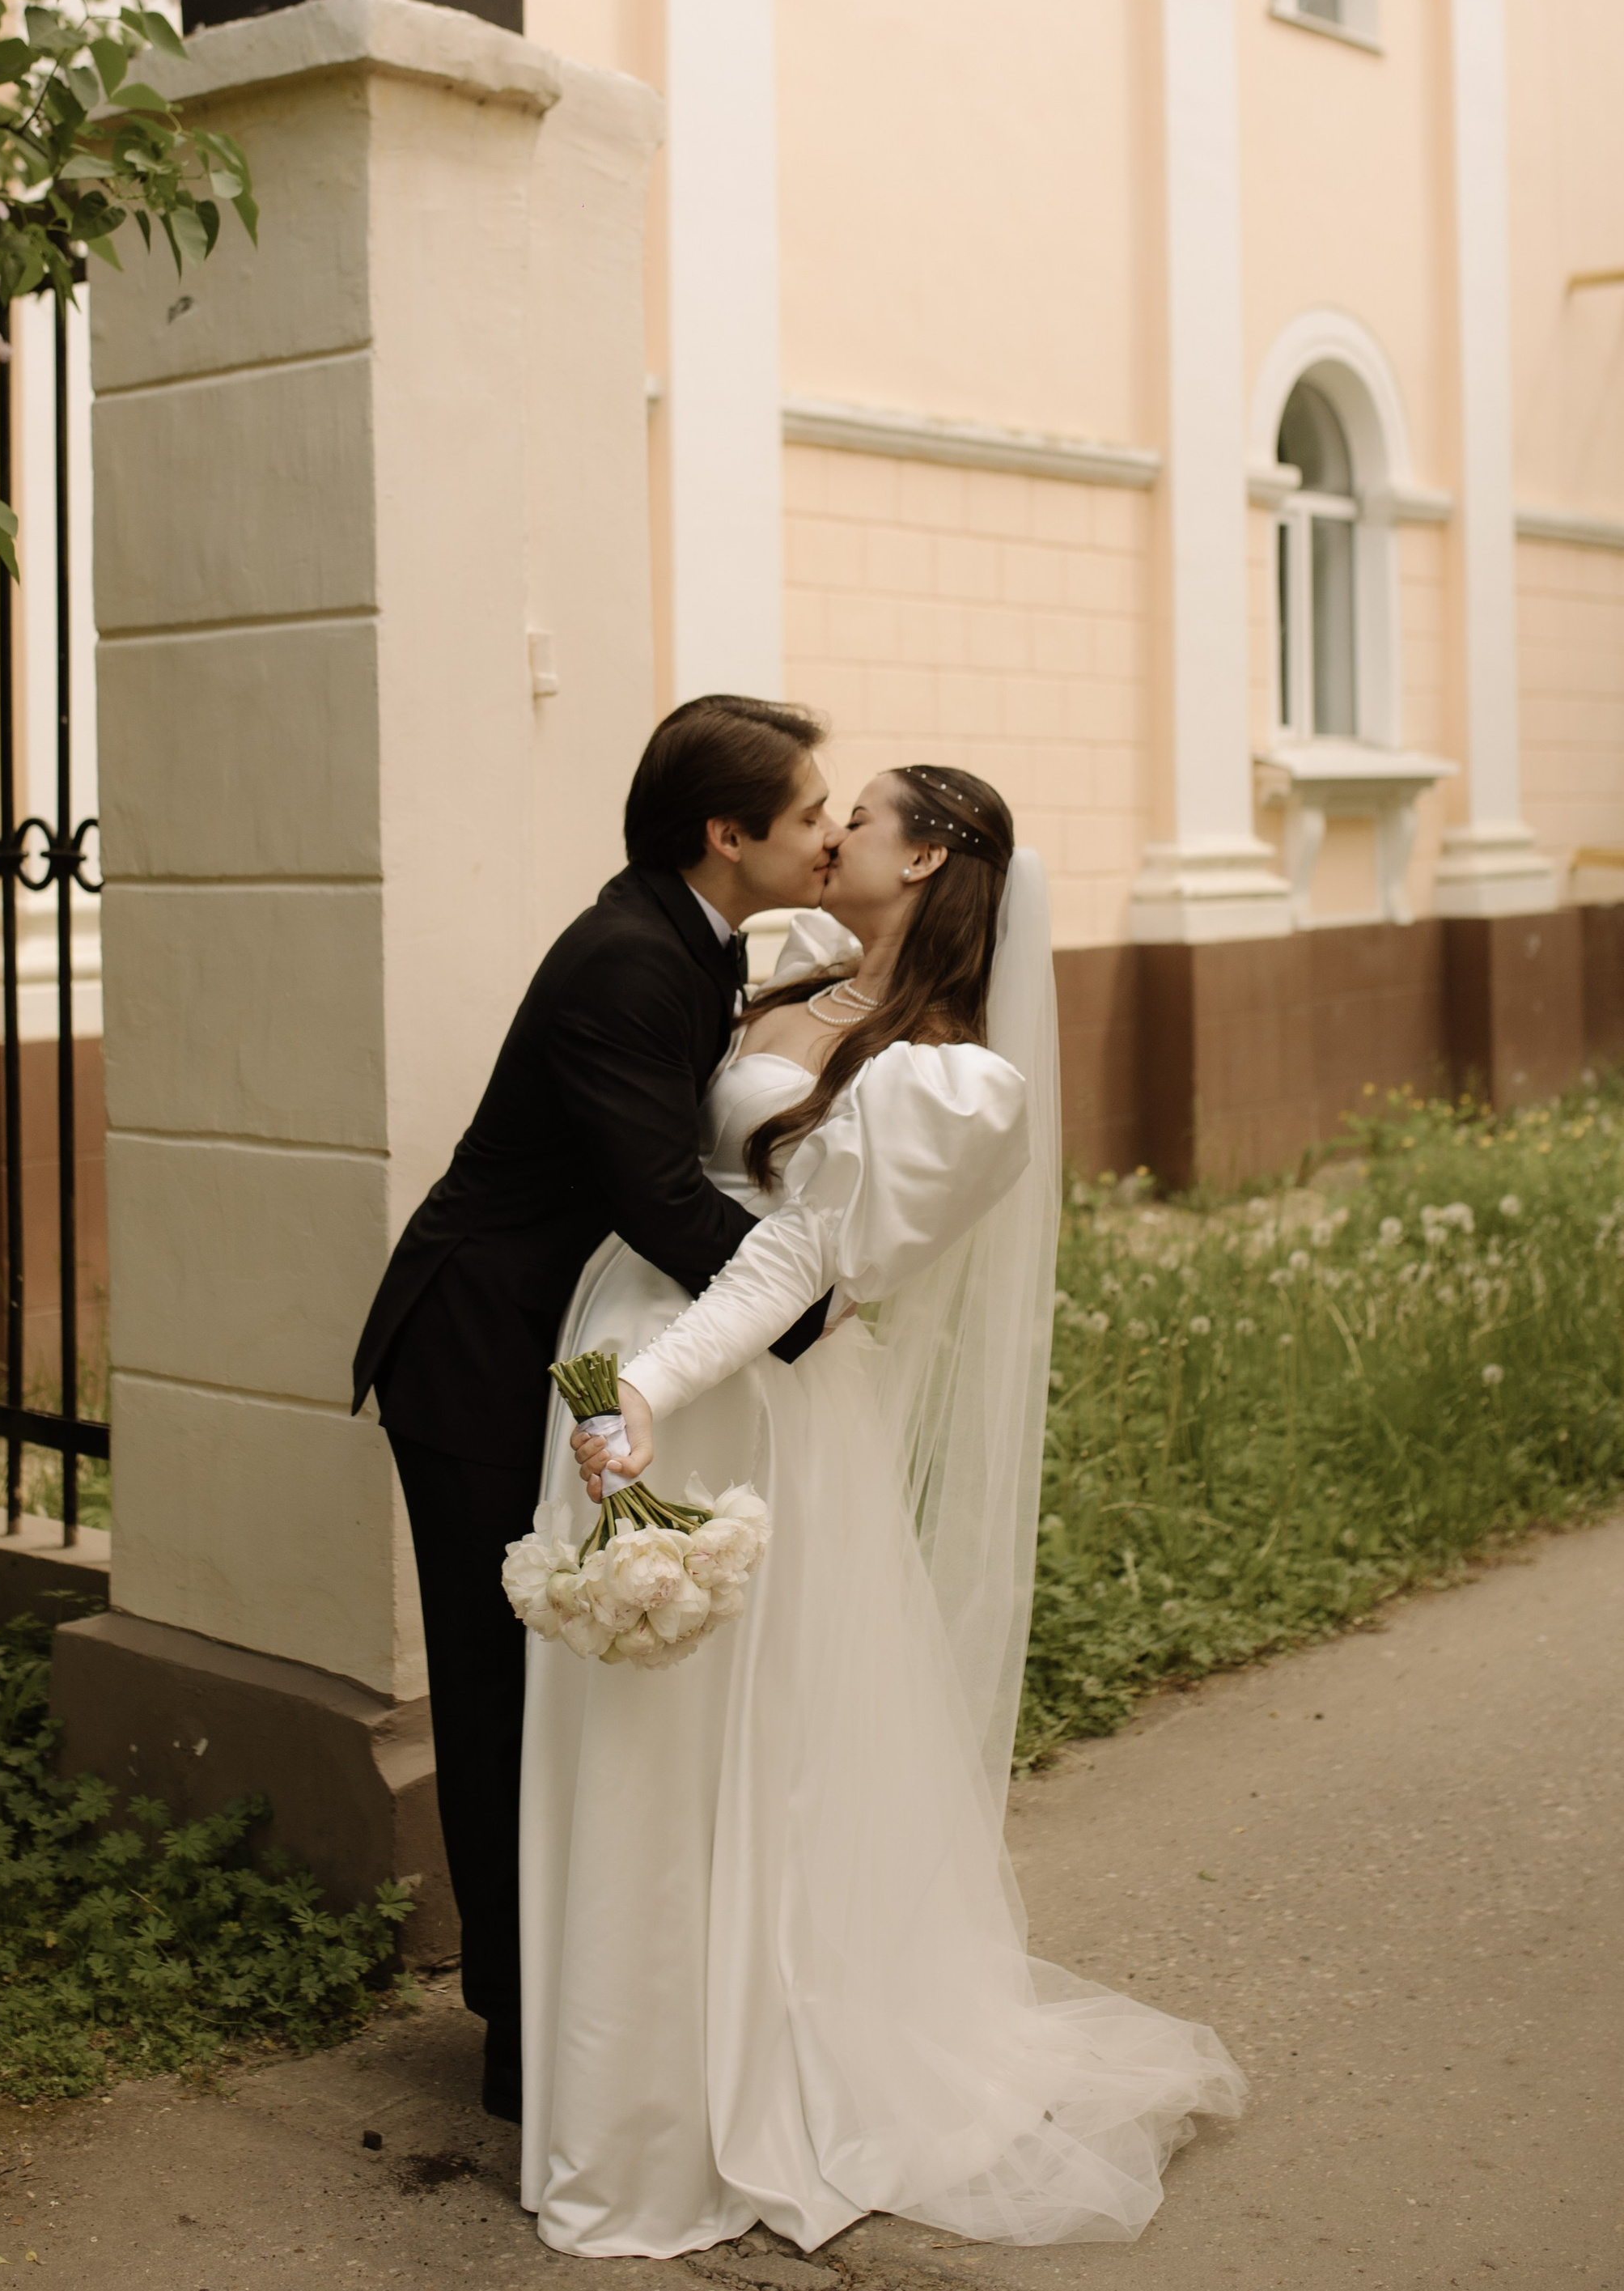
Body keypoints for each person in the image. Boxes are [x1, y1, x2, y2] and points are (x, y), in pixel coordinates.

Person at [520, 766, 1246, 2259]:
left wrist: (649, 1384)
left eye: (859, 809)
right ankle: (629, 2081)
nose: (831, 827)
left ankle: (736, 2091)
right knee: (641, 1745)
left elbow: (803, 1262)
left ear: (925, 859)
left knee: (746, 1742)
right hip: (636, 1361)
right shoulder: (784, 975)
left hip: (747, 1405)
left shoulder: (953, 1080)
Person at [351, 694, 842, 2123]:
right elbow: (662, 1198)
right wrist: (821, 1309)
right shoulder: (631, 957)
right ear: (728, 830)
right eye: (809, 811)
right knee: (498, 1687)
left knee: (554, 1679)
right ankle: (516, 2037)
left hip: (550, 1338)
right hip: (468, 1345)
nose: (826, 830)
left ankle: (563, 2002)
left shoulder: (696, 935)